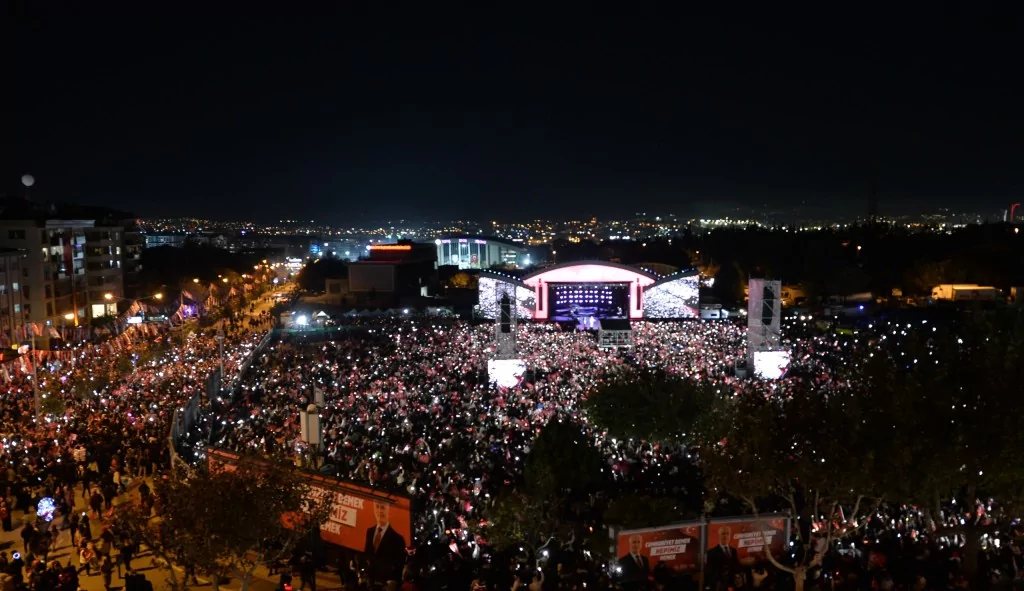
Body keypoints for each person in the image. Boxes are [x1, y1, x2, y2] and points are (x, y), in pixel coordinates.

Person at [363, 501, 406, 584]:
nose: (379, 511)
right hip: (371, 581)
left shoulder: (398, 539)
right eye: (377, 507)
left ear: (389, 510)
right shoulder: (369, 531)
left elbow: (399, 564)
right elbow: (367, 554)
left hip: (386, 583)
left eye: (383, 508)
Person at [705, 525, 740, 590]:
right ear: (719, 535)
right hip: (719, 585)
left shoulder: (733, 550)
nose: (725, 536)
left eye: (727, 534)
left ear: (730, 535)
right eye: (723, 533)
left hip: (733, 584)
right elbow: (710, 571)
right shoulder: (711, 552)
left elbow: (736, 566)